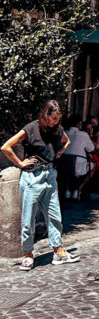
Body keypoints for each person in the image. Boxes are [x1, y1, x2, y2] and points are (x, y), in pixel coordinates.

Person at [0, 100, 80, 270]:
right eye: (52, 118)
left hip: (50, 175)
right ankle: (28, 254)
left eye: (58, 118)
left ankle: (58, 252)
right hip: (32, 177)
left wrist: (60, 151)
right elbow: (6, 147)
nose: (55, 121)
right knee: (28, 219)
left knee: (54, 216)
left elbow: (66, 141)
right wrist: (20, 163)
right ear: (45, 114)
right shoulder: (31, 128)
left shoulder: (58, 130)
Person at [61, 115, 95, 199]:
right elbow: (91, 149)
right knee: (93, 165)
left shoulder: (64, 133)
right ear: (79, 124)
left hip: (64, 163)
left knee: (70, 173)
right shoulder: (83, 134)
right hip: (78, 163)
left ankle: (68, 191)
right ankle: (79, 189)